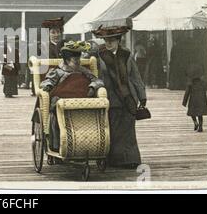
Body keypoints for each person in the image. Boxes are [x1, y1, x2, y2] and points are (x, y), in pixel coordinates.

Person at [92, 25, 146, 169]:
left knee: (128, 129)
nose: (108, 43)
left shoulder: (126, 55)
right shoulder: (99, 55)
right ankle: (114, 160)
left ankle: (130, 159)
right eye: (106, 40)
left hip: (128, 97)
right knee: (113, 128)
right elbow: (94, 75)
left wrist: (142, 96)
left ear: (118, 40)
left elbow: (135, 76)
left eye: (112, 40)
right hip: (109, 96)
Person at [40, 41, 104, 152]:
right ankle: (58, 144)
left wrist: (92, 87)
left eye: (79, 60)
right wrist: (49, 85)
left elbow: (97, 80)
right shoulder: (58, 71)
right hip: (63, 101)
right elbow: (46, 83)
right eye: (75, 61)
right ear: (67, 60)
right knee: (56, 110)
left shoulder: (83, 70)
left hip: (82, 99)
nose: (78, 63)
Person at [183, 64, 207, 132]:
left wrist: (184, 102)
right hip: (201, 101)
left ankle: (195, 122)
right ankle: (200, 126)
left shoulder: (190, 83)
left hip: (193, 101)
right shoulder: (202, 83)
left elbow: (187, 93)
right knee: (200, 115)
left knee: (192, 113)